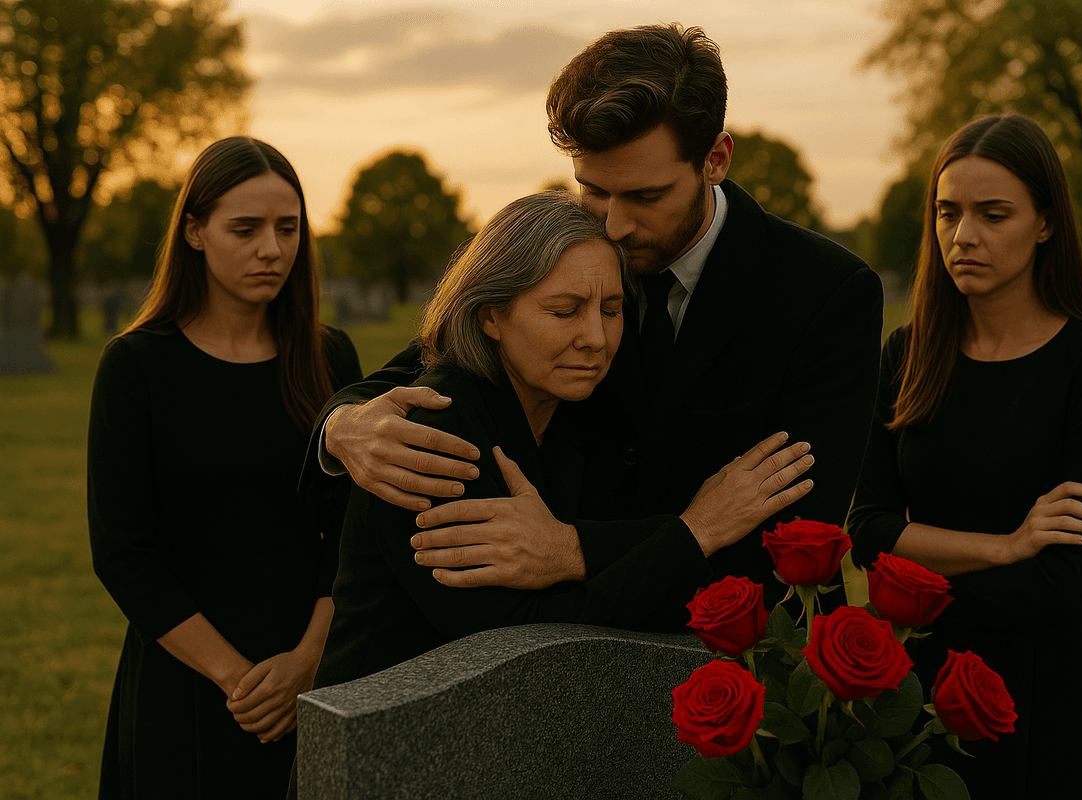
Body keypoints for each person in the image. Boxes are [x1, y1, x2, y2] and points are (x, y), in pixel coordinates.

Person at [301, 23, 883, 606]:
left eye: (645, 197)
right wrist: (342, 426)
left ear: (716, 160)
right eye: (593, 190)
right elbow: (436, 358)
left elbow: (802, 544)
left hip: (735, 652)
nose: (613, 225)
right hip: (564, 653)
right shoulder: (578, 255)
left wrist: (571, 551)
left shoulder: (828, 294)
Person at [312, 191, 812, 689]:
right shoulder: (431, 434)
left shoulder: (577, 406)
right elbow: (525, 632)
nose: (595, 336)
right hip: (379, 740)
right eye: (564, 311)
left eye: (611, 310)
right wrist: (696, 530)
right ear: (490, 316)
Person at [846, 114, 1082, 799]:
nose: (963, 235)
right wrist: (1006, 546)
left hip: (1048, 682)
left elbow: (1064, 575)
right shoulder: (908, 354)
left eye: (993, 213)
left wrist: (914, 588)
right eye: (948, 213)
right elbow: (868, 531)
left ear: (1045, 223)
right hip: (914, 684)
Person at [87, 137, 362, 798]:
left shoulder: (328, 357)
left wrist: (307, 661)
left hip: (312, 671)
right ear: (195, 233)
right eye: (246, 228)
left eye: (287, 228)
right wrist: (240, 679)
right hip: (186, 676)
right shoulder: (136, 368)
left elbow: (353, 528)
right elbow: (124, 553)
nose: (272, 249)